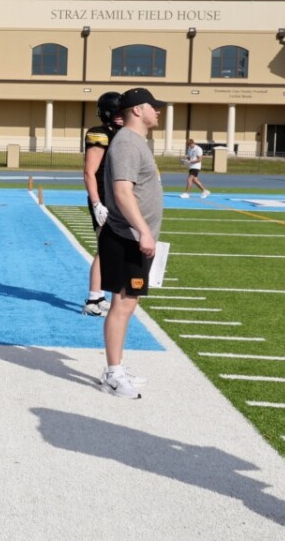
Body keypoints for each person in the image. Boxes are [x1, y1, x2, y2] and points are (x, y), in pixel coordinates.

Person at [98, 87, 165, 399]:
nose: (159, 111)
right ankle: (113, 373)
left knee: (129, 302)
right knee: (122, 303)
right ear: (138, 110)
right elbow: (123, 192)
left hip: (133, 238)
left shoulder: (135, 141)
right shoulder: (126, 142)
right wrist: (144, 231)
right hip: (128, 237)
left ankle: (118, 367)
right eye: (154, 106)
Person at [81, 91, 124, 316]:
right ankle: (92, 299)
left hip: (118, 197)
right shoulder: (99, 134)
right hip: (105, 198)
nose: (121, 116)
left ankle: (97, 296)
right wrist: (97, 202)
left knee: (107, 250)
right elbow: (89, 172)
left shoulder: (123, 133)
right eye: (117, 112)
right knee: (105, 248)